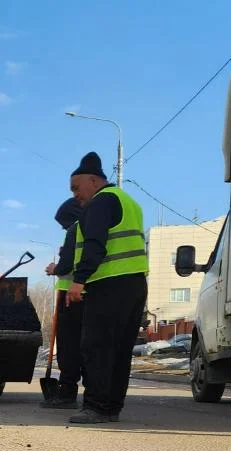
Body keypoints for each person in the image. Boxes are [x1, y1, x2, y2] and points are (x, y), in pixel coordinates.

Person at [65, 152, 148, 424]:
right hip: (134, 284)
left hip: (108, 284)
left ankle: (97, 406)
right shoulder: (129, 202)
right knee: (120, 349)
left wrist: (79, 280)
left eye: (77, 188)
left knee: (97, 346)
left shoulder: (100, 202)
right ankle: (111, 406)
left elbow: (95, 244)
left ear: (93, 181)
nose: (76, 195)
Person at [40, 197, 85, 408]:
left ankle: (67, 392)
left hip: (70, 297)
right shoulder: (92, 230)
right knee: (85, 346)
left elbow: (66, 265)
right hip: (88, 295)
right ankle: (92, 394)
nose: (63, 227)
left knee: (68, 347)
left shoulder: (75, 229)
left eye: (63, 223)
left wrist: (54, 269)